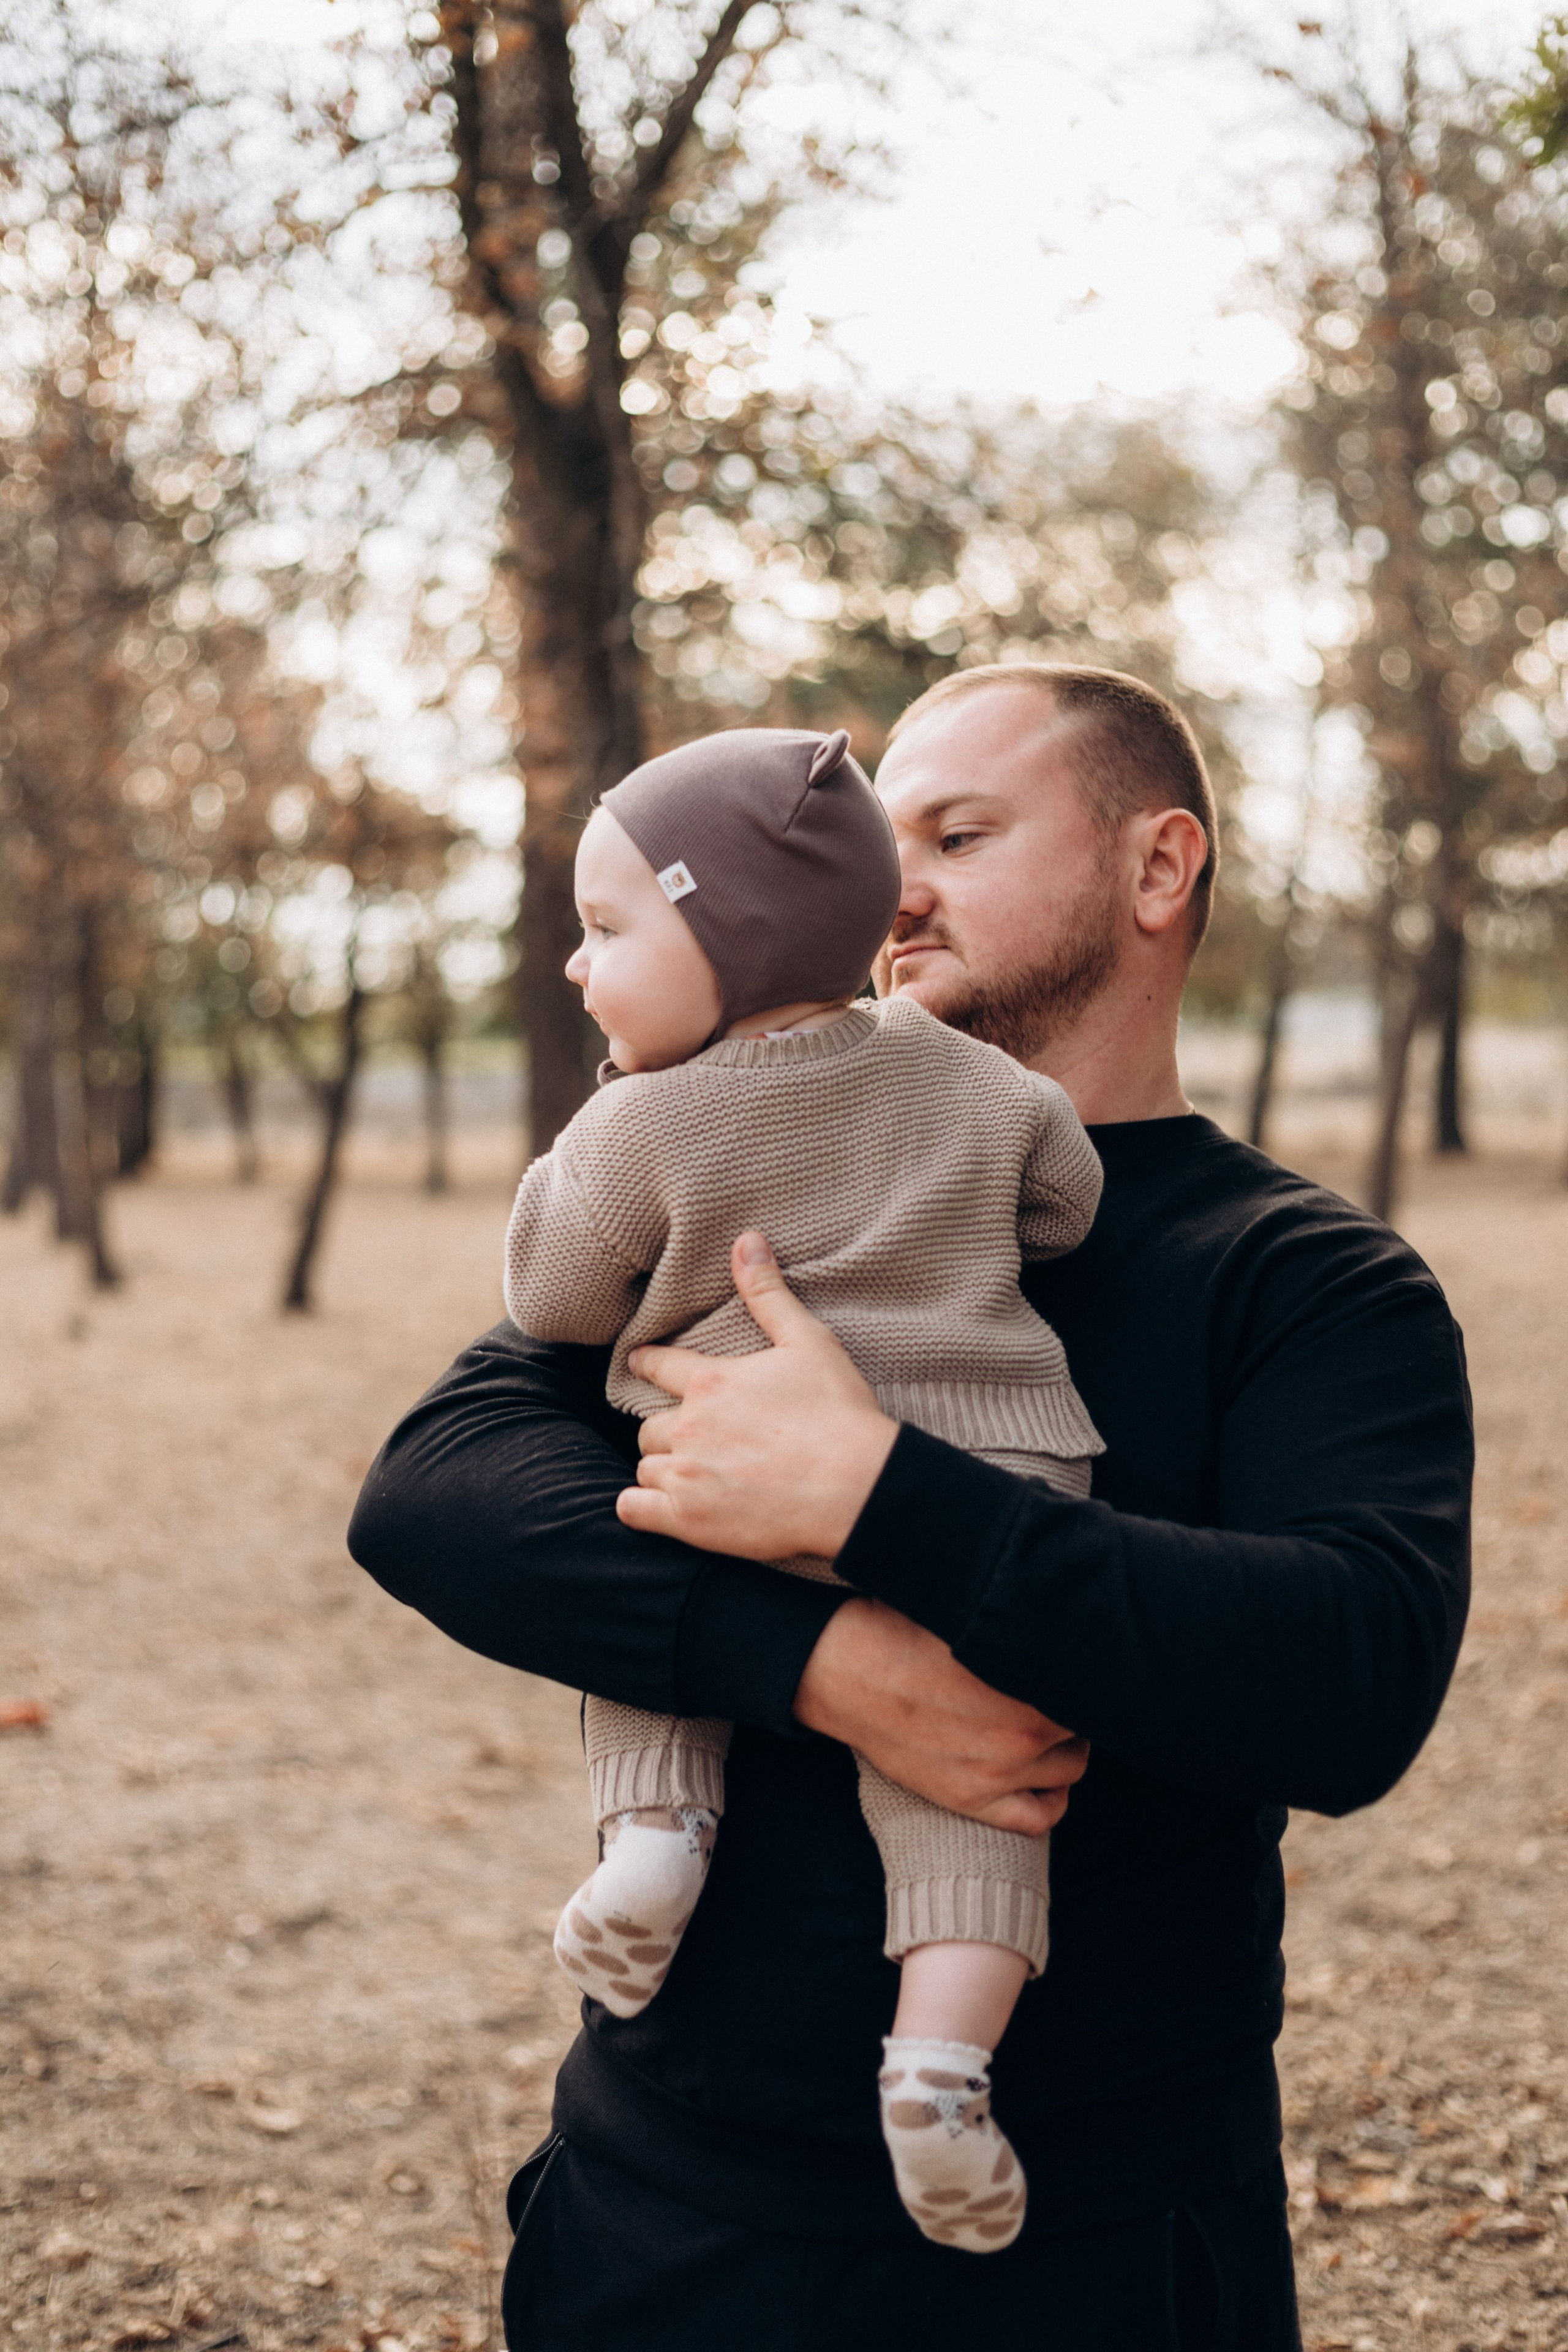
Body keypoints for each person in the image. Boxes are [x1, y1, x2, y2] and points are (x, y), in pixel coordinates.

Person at [349, 664, 1473, 2352]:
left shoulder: (1304, 1279)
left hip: (1094, 2247)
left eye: (962, 833)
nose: (901, 889)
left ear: (1160, 869)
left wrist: (884, 1496)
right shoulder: (739, 1173)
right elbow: (435, 1491)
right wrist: (822, 1660)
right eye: (885, 846)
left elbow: (1350, 1678)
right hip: (665, 2214)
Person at [502, 722, 1104, 2252]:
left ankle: (651, 1843)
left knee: (662, 1599)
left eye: (605, 930)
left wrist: (588, 1156)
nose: (579, 969)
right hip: (993, 1470)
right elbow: (1065, 1197)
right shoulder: (966, 1078)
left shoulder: (640, 1121)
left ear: (726, 931)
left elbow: (552, 1303)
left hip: (736, 1469)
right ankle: (941, 2064)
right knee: (977, 1786)